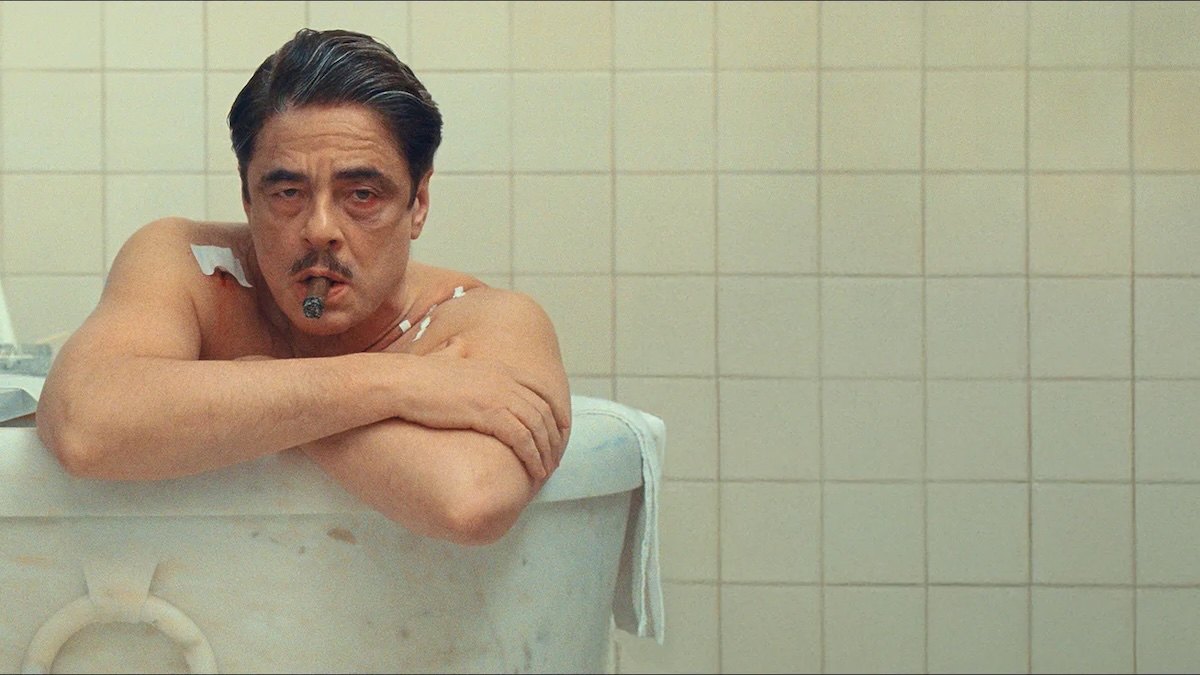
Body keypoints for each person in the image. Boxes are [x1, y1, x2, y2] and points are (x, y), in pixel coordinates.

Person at [34, 28, 572, 547]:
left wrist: (252, 386)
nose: (320, 229)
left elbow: (470, 500)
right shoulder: (191, 266)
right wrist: (399, 384)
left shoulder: (483, 319)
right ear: (248, 198)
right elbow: (83, 425)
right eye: (288, 193)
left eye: (362, 195)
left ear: (419, 203)